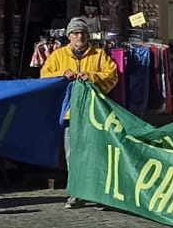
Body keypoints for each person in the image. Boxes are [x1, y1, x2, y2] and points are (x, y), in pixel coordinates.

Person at [40, 19, 120, 209]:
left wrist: (92, 77)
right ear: (69, 36)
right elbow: (44, 75)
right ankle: (76, 193)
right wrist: (62, 73)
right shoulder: (58, 55)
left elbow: (112, 76)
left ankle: (98, 193)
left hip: (94, 114)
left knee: (96, 153)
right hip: (70, 115)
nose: (79, 36)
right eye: (75, 33)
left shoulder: (99, 54)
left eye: (82, 33)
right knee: (73, 155)